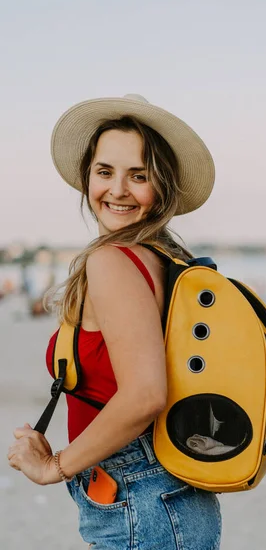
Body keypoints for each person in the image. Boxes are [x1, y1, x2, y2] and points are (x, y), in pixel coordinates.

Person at [8, 94, 221, 550]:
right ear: (87, 175)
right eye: (105, 171)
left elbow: (145, 395)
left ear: (161, 187)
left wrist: (56, 466)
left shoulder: (113, 261)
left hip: (139, 495)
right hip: (170, 493)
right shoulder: (166, 258)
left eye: (139, 176)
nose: (118, 189)